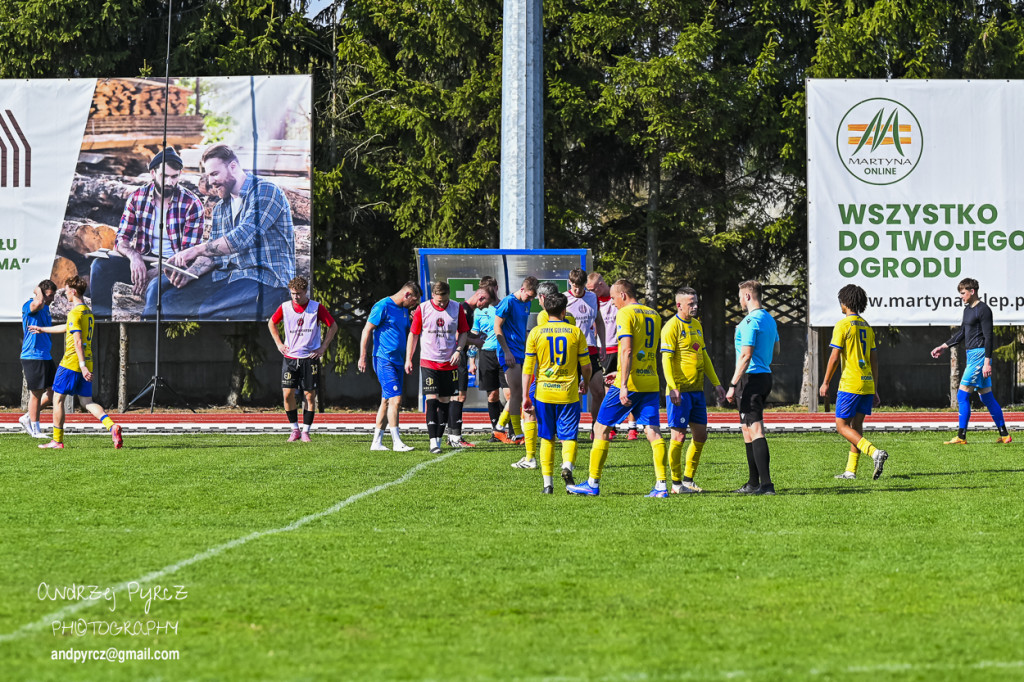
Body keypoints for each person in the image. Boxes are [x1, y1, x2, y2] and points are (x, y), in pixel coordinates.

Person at [145, 143, 294, 320]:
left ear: (233, 166)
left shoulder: (265, 191)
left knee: (208, 310)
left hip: (267, 280)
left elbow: (241, 238)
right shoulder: (221, 208)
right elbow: (213, 256)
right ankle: (150, 342)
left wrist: (194, 250)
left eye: (215, 174)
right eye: (208, 176)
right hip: (230, 276)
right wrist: (191, 273)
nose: (211, 182)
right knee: (162, 293)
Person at [567, 279, 663, 497]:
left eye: (613, 298)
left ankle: (592, 483)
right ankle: (661, 486)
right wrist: (619, 373)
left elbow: (627, 351)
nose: (612, 302)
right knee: (653, 432)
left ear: (623, 295)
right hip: (650, 380)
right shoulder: (654, 315)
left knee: (600, 428)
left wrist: (622, 384)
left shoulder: (625, 314)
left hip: (630, 384)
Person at [90, 147, 205, 318]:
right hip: (144, 259)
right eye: (164, 176)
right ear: (153, 173)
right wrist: (134, 257)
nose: (170, 182)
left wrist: (158, 271)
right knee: (99, 267)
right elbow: (122, 238)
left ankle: (147, 333)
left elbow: (188, 254)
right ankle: (101, 326)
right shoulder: (137, 198)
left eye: (174, 177)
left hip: (175, 265)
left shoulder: (192, 204)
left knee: (154, 289)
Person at [29, 276, 122, 450]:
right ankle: (112, 426)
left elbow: (77, 341)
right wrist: (42, 329)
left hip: (72, 362)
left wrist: (81, 365)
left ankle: (57, 441)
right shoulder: (87, 311)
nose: (65, 293)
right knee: (86, 402)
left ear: (73, 291)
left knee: (57, 399)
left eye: (66, 291)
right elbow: (67, 328)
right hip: (87, 360)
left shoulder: (74, 312)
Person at [522, 292, 592, 493]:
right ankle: (567, 466)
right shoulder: (575, 332)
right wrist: (584, 382)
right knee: (569, 436)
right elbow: (586, 366)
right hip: (568, 393)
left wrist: (526, 395)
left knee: (547, 437)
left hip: (544, 393)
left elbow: (528, 368)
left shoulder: (536, 332)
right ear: (564, 311)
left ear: (545, 309)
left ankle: (547, 484)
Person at [660, 287, 727, 494]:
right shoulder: (671, 327)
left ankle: (688, 480)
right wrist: (672, 387)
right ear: (679, 305)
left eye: (696, 303)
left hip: (697, 391)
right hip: (679, 392)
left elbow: (704, 356)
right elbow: (666, 359)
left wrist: (716, 383)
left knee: (700, 436)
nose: (695, 306)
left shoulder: (697, 325)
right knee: (678, 437)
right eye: (691, 303)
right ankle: (676, 483)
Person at [819, 284, 889, 480]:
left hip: (851, 383)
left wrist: (825, 382)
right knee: (856, 426)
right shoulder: (867, 326)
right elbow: (874, 360)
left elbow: (834, 357)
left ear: (845, 302)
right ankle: (851, 471)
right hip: (867, 383)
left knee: (841, 426)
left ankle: (875, 453)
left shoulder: (842, 325)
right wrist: (874, 387)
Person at [931, 277, 1011, 444]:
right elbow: (962, 333)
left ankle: (961, 436)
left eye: (963, 293)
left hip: (979, 356)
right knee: (986, 397)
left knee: (962, 395)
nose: (961, 296)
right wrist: (943, 346)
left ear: (972, 291)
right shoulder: (967, 310)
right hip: (972, 356)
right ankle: (1005, 435)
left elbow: (989, 337)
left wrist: (987, 362)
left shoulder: (984, 310)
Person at [725, 280, 780, 495]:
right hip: (764, 375)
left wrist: (732, 385)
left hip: (750, 379)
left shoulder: (749, 322)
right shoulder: (769, 319)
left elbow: (746, 355)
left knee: (755, 429)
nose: (739, 300)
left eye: (740, 296)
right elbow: (776, 350)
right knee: (747, 429)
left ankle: (766, 485)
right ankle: (753, 483)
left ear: (747, 296)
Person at [268, 276, 339, 442]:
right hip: (290, 358)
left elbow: (333, 326)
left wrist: (323, 347)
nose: (295, 297)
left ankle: (306, 431)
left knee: (309, 395)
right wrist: (279, 343)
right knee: (287, 395)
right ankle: (294, 429)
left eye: (298, 294)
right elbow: (272, 323)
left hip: (309, 358)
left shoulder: (316, 308)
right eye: (293, 294)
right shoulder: (285, 307)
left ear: (305, 292)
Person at [514, 281, 576, 469]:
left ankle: (531, 457)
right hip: (566, 377)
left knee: (529, 412)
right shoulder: (571, 317)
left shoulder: (543, 317)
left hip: (545, 376)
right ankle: (566, 462)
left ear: (542, 298)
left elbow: (542, 348)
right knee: (565, 426)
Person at [406, 281, 469, 454]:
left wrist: (458, 350)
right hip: (429, 361)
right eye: (439, 301)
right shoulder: (423, 308)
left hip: (449, 363)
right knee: (431, 400)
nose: (442, 304)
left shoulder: (456, 308)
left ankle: (439, 440)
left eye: (445, 300)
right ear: (433, 296)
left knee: (445, 402)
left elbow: (464, 332)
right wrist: (409, 359)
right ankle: (432, 442)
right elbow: (414, 334)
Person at [358, 282, 421, 451]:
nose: (414, 305)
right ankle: (397, 442)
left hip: (398, 361)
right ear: (407, 295)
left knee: (386, 400)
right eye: (414, 301)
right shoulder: (382, 306)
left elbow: (405, 333)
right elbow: (367, 330)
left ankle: (376, 442)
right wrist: (363, 356)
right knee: (396, 399)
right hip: (383, 359)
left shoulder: (403, 310)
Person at [443, 284, 498, 448]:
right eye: (486, 303)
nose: (486, 307)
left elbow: (466, 333)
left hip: (460, 356)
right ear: (480, 297)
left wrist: (477, 336)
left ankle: (453, 436)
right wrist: (477, 341)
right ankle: (455, 437)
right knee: (459, 396)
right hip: (457, 357)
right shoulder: (464, 310)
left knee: (457, 396)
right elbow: (459, 336)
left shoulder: (467, 310)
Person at [495, 276, 538, 460]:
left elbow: (522, 328)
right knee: (517, 391)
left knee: (520, 391)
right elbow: (497, 327)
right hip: (509, 352)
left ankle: (499, 427)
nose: (530, 300)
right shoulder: (508, 302)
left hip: (521, 351)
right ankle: (517, 433)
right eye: (529, 296)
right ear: (522, 289)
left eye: (533, 297)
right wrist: (506, 352)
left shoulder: (526, 303)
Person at [588, 271, 634, 440]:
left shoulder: (620, 302)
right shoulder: (593, 301)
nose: (591, 293)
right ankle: (610, 426)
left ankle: (632, 427)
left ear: (601, 285)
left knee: (627, 385)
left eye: (592, 289)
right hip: (603, 351)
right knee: (607, 390)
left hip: (620, 348)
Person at [472, 277, 511, 442]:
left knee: (510, 394)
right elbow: (475, 335)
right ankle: (496, 432)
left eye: (490, 289)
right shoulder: (479, 310)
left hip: (504, 353)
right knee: (493, 395)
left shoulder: (505, 306)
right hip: (487, 355)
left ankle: (515, 430)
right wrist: (471, 360)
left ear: (496, 287)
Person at [566, 268, 606, 430]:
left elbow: (599, 321)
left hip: (590, 349)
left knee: (598, 391)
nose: (577, 289)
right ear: (570, 283)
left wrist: (602, 344)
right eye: (575, 286)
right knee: (571, 394)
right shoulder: (564, 298)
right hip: (571, 351)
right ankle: (569, 428)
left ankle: (596, 427)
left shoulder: (592, 297)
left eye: (581, 286)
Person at [19, 280, 57, 438]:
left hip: (45, 355)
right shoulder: (30, 305)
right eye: (49, 295)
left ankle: (27, 417)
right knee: (36, 393)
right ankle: (36, 430)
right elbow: (39, 302)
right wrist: (37, 291)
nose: (52, 299)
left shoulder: (46, 308)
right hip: (32, 355)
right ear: (41, 293)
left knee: (54, 391)